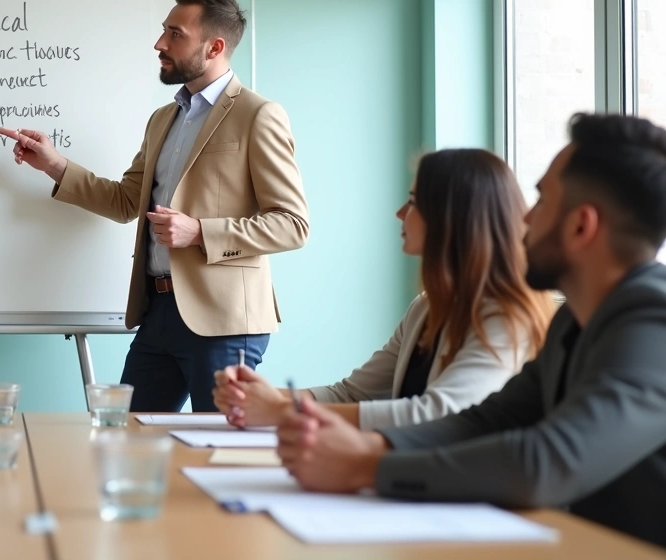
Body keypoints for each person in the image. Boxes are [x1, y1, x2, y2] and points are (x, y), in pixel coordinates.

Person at [276, 113, 666, 549]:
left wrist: (365, 468)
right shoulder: (573, 320)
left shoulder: (653, 319)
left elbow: (546, 460)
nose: (525, 219)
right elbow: (486, 420)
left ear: (581, 227)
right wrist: (371, 448)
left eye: (540, 201)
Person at [0, 0, 310, 412]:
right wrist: (54, 165)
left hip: (224, 322)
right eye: (164, 30)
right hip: (158, 311)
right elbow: (128, 201)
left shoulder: (257, 115)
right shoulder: (163, 119)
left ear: (215, 46)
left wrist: (199, 231)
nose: (160, 43)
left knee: (216, 456)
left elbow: (292, 224)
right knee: (127, 441)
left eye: (175, 34)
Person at [213, 149, 553, 430]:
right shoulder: (425, 309)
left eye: (413, 201)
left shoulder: (507, 318)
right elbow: (351, 395)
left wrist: (284, 411)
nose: (399, 213)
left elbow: (440, 414)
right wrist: (267, 396)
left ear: (453, 220)